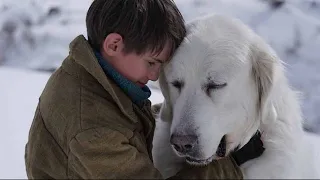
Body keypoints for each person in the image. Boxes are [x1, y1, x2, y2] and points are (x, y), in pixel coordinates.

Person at [25, 0, 264, 179]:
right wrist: (230, 165)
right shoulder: (92, 129)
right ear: (114, 45)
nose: (154, 75)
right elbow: (103, 127)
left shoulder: (85, 74)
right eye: (152, 62)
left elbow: (118, 120)